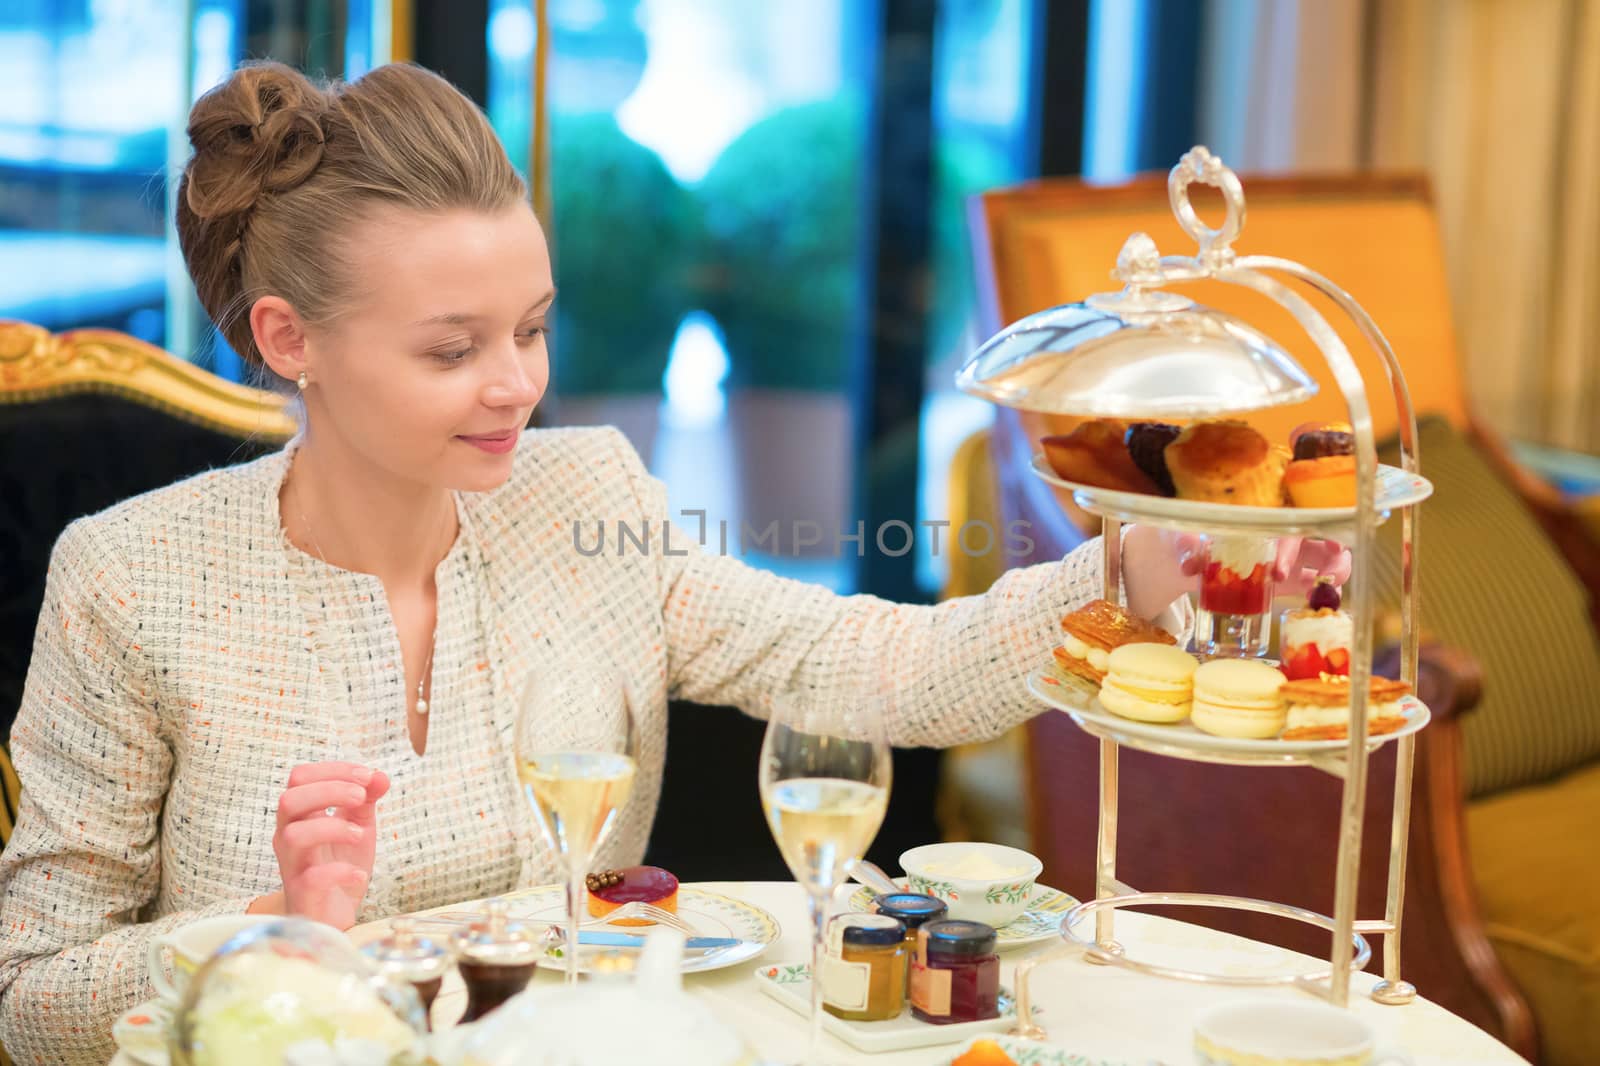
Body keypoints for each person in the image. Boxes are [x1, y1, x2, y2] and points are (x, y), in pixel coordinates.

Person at [0, 61, 1347, 1063]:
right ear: (291, 338)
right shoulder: (132, 578)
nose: (516, 385)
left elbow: (871, 664)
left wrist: (1130, 579)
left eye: (531, 327)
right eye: (451, 347)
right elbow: (32, 989)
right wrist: (263, 927)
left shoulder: (588, 499)